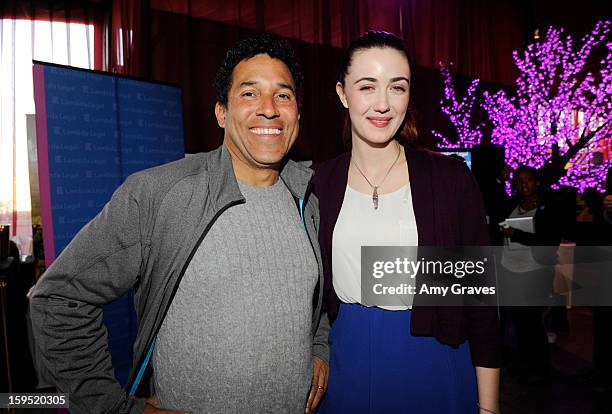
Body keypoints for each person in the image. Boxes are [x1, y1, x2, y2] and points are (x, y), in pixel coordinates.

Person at [29, 34, 329, 414]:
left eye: (283, 95)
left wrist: (318, 348)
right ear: (221, 112)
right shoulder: (159, 195)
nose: (269, 109)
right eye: (249, 94)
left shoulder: (308, 200)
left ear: (297, 114)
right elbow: (58, 299)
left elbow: (313, 303)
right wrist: (114, 408)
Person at [313, 31, 500, 414]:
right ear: (342, 93)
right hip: (347, 359)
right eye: (367, 87)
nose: (383, 104)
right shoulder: (319, 181)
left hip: (433, 359)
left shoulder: (448, 180)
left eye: (397, 88)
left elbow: (481, 303)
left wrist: (490, 406)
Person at [499, 165, 563, 382]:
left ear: (537, 182)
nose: (523, 185)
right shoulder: (511, 205)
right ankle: (525, 363)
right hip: (510, 269)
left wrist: (515, 233)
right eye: (518, 181)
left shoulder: (549, 208)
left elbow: (549, 240)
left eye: (527, 180)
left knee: (533, 322)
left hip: (535, 271)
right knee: (518, 321)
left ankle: (541, 368)